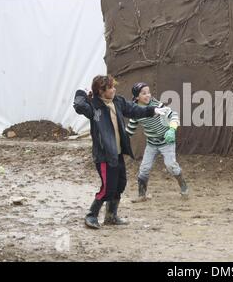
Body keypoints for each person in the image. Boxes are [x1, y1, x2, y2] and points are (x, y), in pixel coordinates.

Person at [73, 75, 166, 229]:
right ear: (101, 91)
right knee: (108, 187)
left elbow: (133, 109)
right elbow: (79, 106)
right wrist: (81, 92)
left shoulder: (118, 101)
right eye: (110, 87)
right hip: (104, 155)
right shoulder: (93, 106)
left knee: (120, 184)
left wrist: (153, 110)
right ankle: (91, 215)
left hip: (117, 153)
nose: (114, 89)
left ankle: (111, 216)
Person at [125, 82, 189, 202]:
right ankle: (142, 195)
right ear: (137, 97)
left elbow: (173, 115)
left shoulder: (157, 105)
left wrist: (172, 129)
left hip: (167, 142)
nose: (148, 95)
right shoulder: (135, 111)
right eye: (144, 93)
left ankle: (183, 186)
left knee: (171, 166)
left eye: (148, 92)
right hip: (152, 144)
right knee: (144, 168)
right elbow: (130, 129)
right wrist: (120, 140)